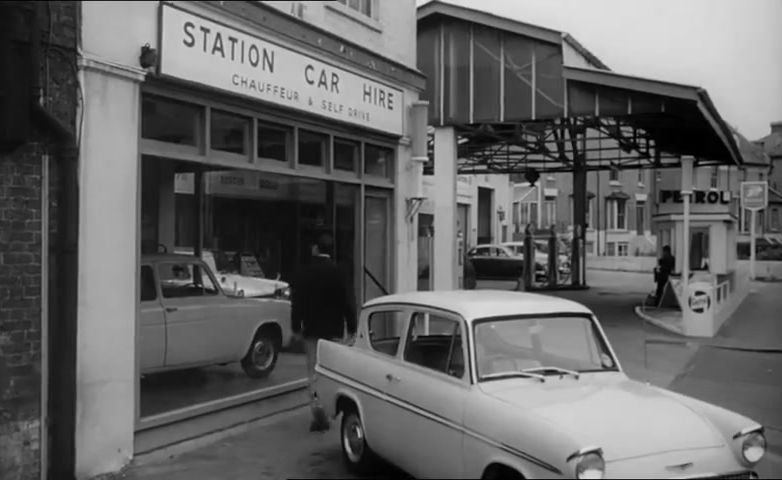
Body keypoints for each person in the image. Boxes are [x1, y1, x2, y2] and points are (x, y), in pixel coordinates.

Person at [290, 233, 357, 432]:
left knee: (313, 371)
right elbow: (348, 301)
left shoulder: (304, 273)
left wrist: (296, 327)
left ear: (315, 249)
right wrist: (352, 327)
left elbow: (297, 303)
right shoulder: (339, 273)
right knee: (330, 371)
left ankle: (317, 409)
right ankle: (330, 406)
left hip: (312, 330)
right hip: (333, 330)